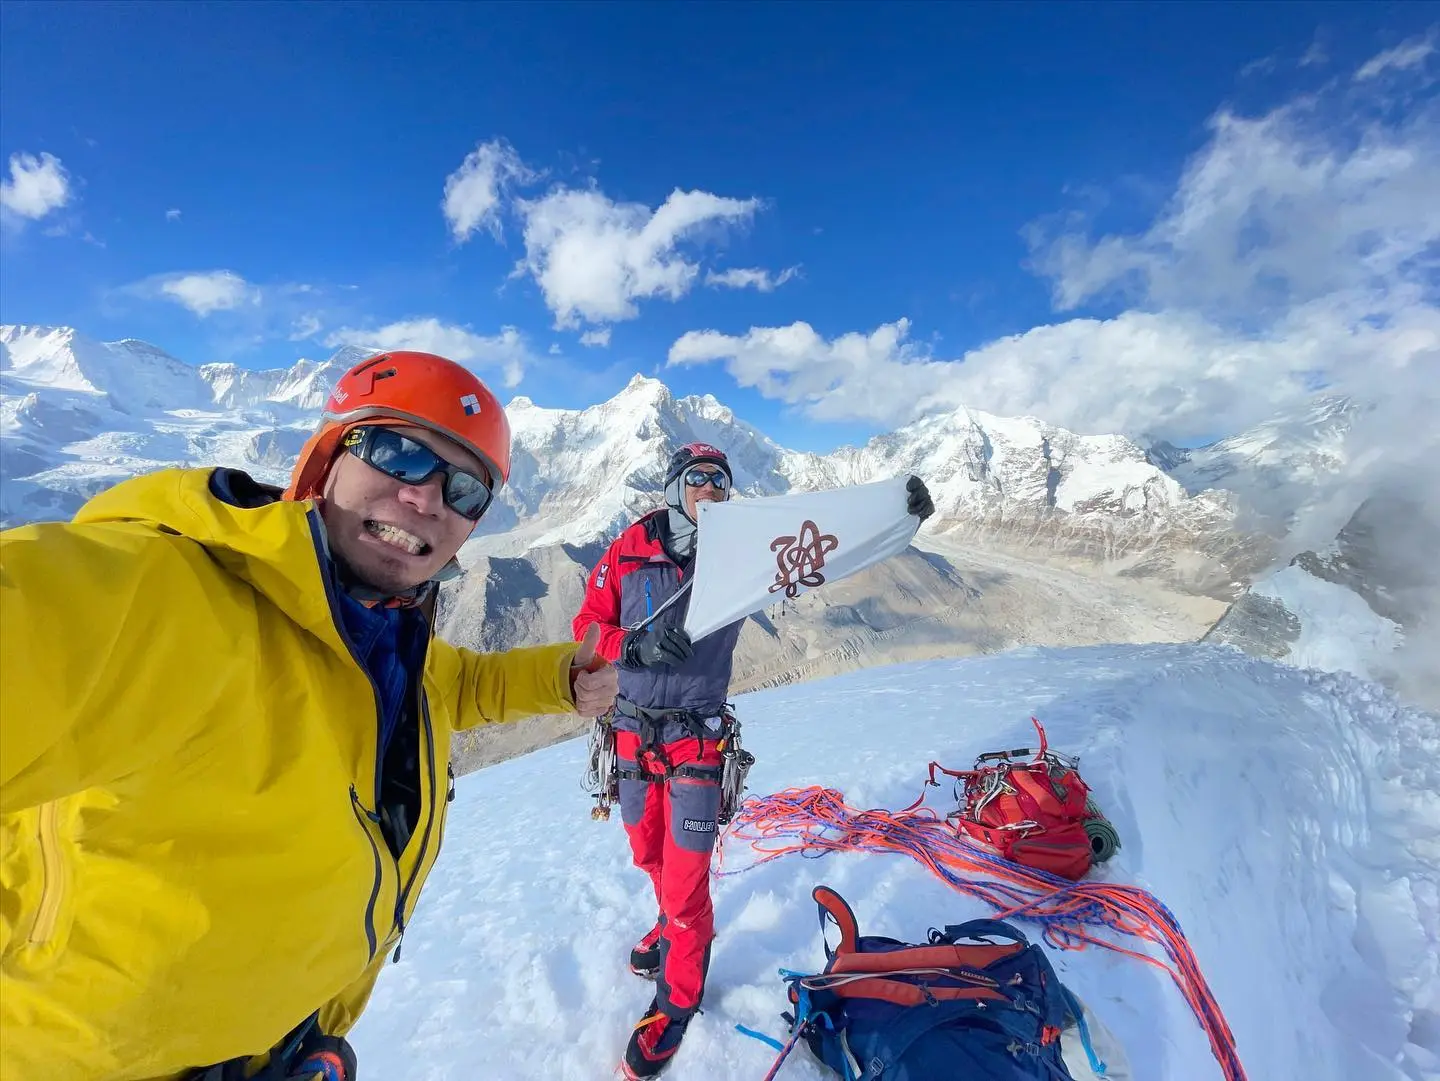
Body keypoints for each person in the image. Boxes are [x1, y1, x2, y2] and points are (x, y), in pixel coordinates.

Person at [0, 350, 618, 1081]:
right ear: (325, 459)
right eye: (397, 451)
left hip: (287, 1047)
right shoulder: (164, 600)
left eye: (463, 487)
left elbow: (455, 684)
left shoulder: (382, 629)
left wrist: (562, 679)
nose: (425, 499)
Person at [571, 442, 933, 1078]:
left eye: (720, 480)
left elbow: (824, 541)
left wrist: (895, 513)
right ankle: (673, 929)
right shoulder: (629, 547)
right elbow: (585, 626)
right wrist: (632, 643)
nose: (709, 489)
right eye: (697, 478)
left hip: (696, 741)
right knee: (645, 851)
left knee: (686, 883)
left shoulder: (742, 557)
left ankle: (677, 999)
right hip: (628, 733)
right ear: (674, 486)